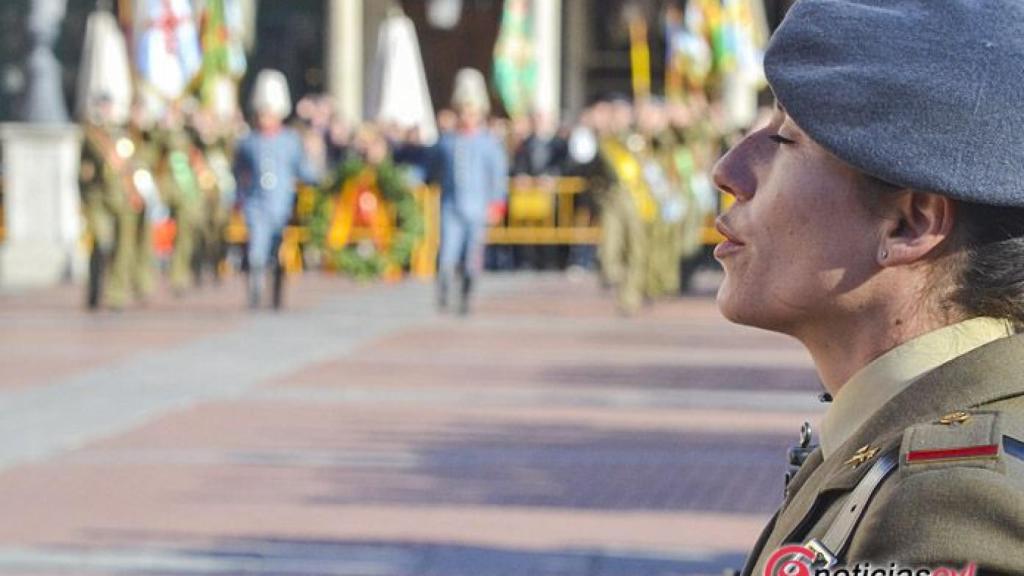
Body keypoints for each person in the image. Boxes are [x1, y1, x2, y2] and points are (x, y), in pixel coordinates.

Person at [713, 1, 1024, 574]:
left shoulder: (948, 499)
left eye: (786, 137)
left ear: (910, 223)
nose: (728, 171)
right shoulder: (886, 434)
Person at [233, 69, 319, 309]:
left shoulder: (290, 140)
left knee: (276, 249)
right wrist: (237, 197)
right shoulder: (248, 141)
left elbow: (302, 169)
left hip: (281, 204)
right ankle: (256, 288)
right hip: (255, 202)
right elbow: (239, 173)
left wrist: (319, 182)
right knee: (256, 249)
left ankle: (277, 290)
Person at [433, 68, 508, 315]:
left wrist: (497, 203)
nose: (467, 116)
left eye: (471, 112)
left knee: (472, 255)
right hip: (451, 205)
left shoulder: (489, 144)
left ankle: (466, 294)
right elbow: (433, 167)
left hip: (478, 207)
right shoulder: (447, 142)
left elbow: (497, 176)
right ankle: (444, 288)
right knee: (448, 251)